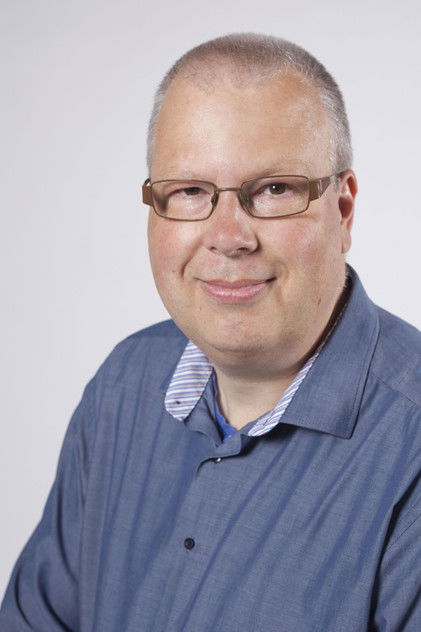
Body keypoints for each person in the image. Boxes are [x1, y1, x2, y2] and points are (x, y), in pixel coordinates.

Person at [1, 33, 420, 632]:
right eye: (191, 191)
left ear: (343, 208)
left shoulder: (410, 447)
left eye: (274, 189)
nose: (229, 237)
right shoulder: (123, 386)